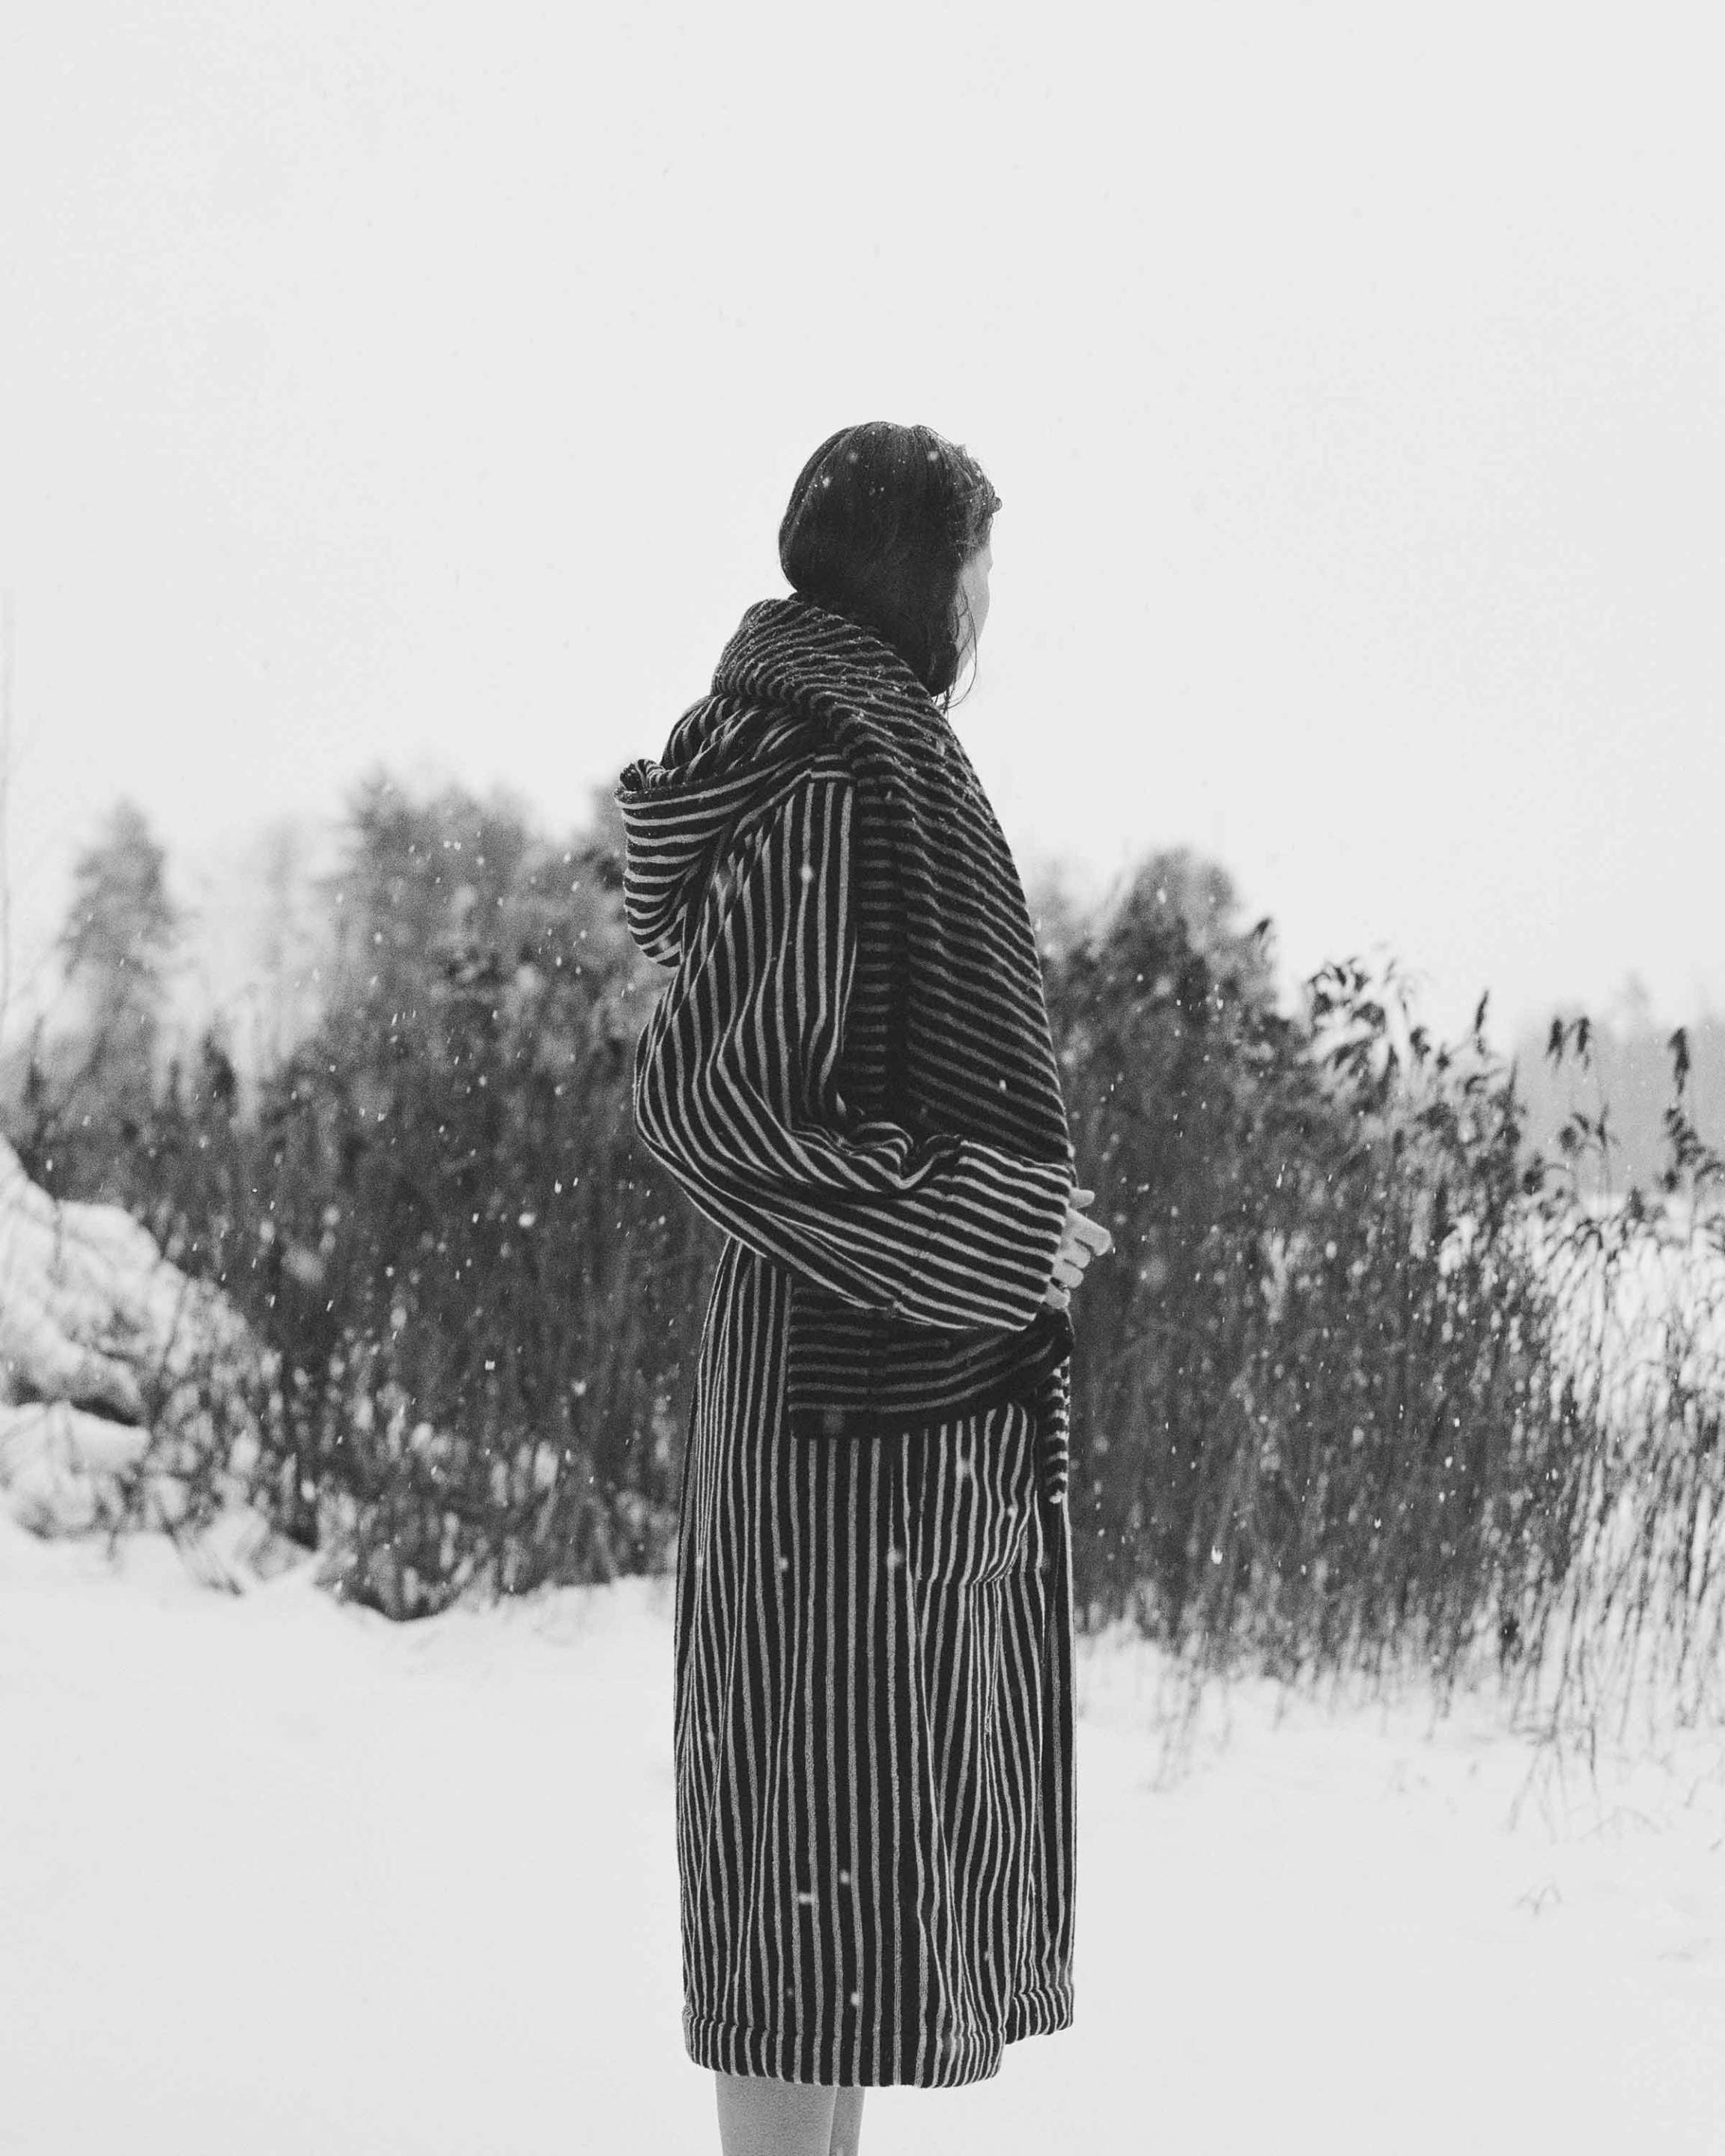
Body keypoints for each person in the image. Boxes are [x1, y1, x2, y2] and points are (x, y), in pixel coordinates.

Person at [616, 421, 1111, 2155]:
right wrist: (994, 1224)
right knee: (799, 1888)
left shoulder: (865, 766)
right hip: (831, 1444)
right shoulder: (837, 785)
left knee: (842, 1900)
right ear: (922, 579)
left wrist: (1023, 1225)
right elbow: (712, 1110)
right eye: (977, 568)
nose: (988, 607)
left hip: (864, 1423)